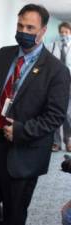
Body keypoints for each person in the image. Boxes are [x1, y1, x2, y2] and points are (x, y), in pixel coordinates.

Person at [0, 4, 70, 225]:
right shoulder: (4, 54)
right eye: (20, 25)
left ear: (42, 31)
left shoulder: (57, 71)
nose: (23, 31)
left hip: (25, 152)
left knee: (15, 212)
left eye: (30, 28)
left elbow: (56, 116)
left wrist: (22, 131)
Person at [48, 21, 71, 152]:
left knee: (68, 114)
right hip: (55, 84)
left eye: (66, 32)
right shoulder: (52, 46)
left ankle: (68, 141)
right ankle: (55, 142)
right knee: (54, 112)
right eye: (62, 32)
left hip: (70, 84)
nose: (64, 34)